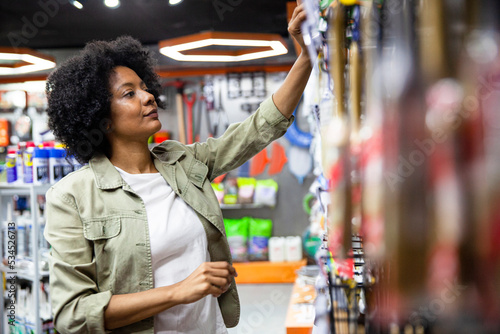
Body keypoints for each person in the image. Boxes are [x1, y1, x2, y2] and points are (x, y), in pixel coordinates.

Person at [44, 3, 311, 333]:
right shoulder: (72, 197)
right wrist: (178, 292)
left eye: (145, 87)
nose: (148, 97)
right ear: (101, 119)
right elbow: (72, 314)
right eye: (129, 93)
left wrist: (306, 56)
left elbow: (258, 128)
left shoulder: (181, 161)